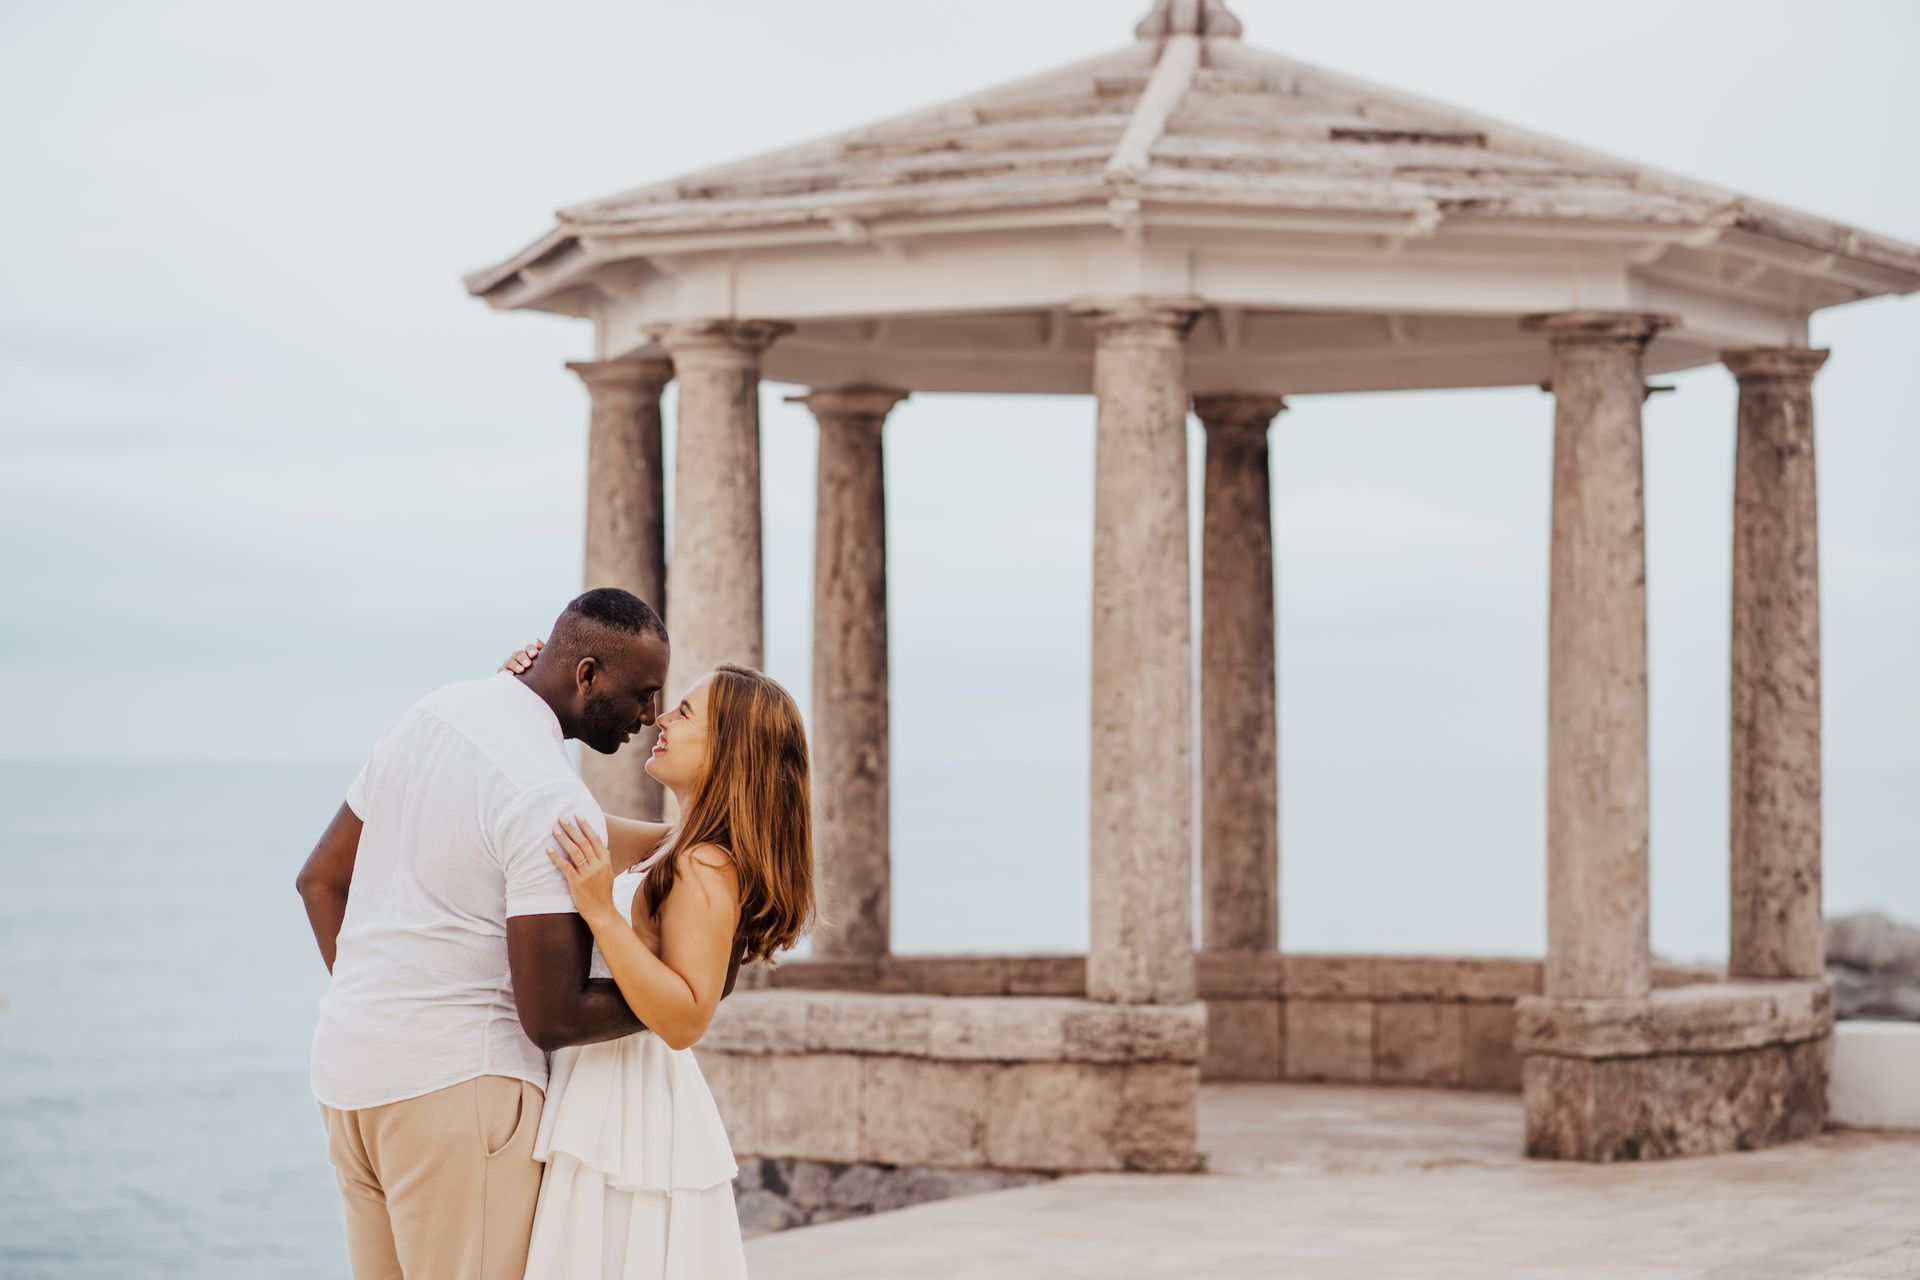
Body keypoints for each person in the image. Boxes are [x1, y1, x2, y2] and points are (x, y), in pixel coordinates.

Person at [295, 588, 670, 1280]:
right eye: (643, 694)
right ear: (587, 675)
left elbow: (319, 880)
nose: (649, 717)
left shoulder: (430, 715)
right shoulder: (543, 793)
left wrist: (381, 1002)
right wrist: (680, 998)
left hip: (349, 1079)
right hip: (456, 1092)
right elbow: (552, 1016)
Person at [503, 639, 815, 1278]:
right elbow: (556, 811)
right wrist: (525, 701)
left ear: (729, 749)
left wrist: (598, 911)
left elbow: (685, 1019)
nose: (660, 720)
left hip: (629, 1103)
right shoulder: (678, 847)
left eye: (684, 713)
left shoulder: (705, 864)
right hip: (610, 1088)